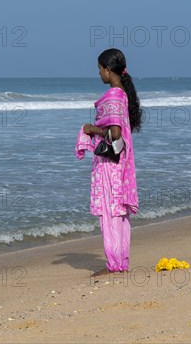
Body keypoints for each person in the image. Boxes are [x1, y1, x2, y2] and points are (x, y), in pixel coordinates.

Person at [75, 48, 141, 277]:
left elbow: (114, 133)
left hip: (110, 165)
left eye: (99, 69)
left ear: (108, 69)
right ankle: (120, 261)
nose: (99, 74)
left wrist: (91, 129)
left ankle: (113, 264)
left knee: (110, 212)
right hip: (121, 162)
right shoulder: (123, 94)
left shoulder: (113, 96)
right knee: (120, 214)